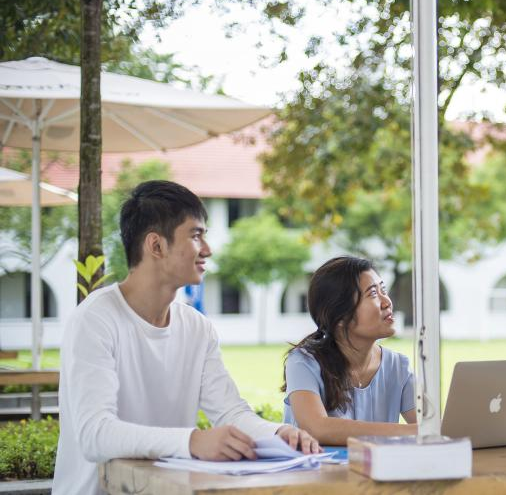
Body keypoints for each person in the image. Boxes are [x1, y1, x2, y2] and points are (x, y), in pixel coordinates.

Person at [53, 180, 318, 495]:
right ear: (156, 246)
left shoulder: (197, 327)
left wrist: (280, 433)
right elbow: (95, 434)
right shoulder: (95, 319)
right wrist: (191, 441)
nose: (207, 249)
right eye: (196, 235)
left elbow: (230, 412)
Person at [282, 256, 417, 445]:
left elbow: (431, 426)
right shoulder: (303, 362)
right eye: (372, 294)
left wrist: (426, 429)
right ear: (340, 316)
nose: (387, 302)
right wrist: (413, 431)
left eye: (383, 290)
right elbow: (317, 428)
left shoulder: (399, 366)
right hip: (315, 473)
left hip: (374, 472)